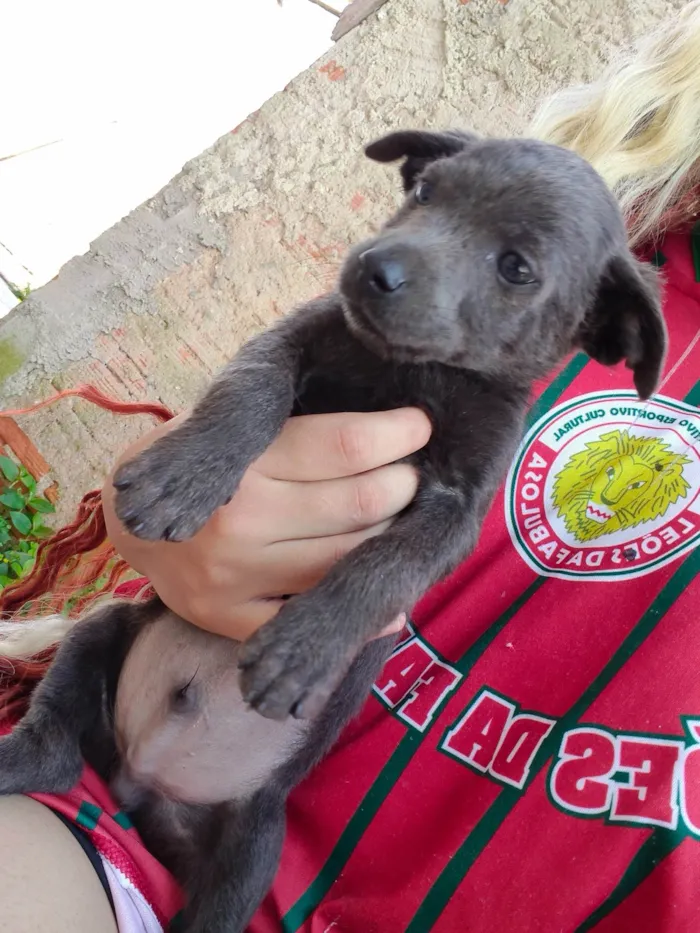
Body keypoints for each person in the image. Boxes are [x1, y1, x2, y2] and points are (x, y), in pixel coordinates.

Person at [2, 4, 700, 930]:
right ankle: (43, 740)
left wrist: (330, 619)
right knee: (97, 641)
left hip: (271, 816)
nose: (405, 252)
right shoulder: (615, 227)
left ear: (607, 328)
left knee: (240, 852)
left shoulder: (564, 331)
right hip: (97, 815)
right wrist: (187, 488)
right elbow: (267, 374)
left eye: (515, 269)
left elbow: (440, 526)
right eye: (428, 194)